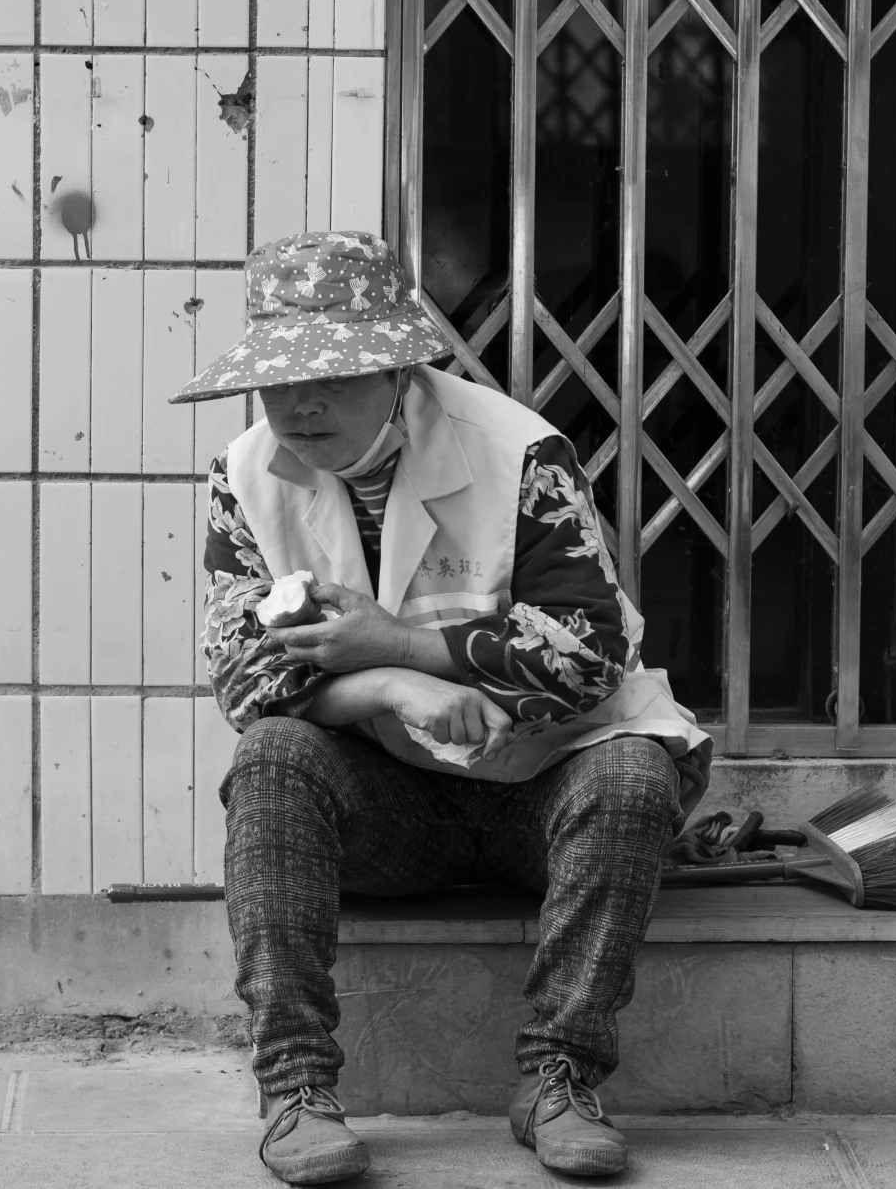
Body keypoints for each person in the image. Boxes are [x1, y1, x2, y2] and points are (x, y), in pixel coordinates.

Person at [173, 231, 711, 1184]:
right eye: (279, 379)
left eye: (333, 375)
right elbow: (246, 681)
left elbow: (589, 655)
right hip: (395, 804)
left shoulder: (517, 451)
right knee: (270, 760)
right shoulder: (247, 477)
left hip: (547, 788)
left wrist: (406, 644)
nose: (301, 402)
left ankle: (561, 1076)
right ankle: (296, 1090)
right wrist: (391, 684)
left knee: (632, 773)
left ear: (397, 366)